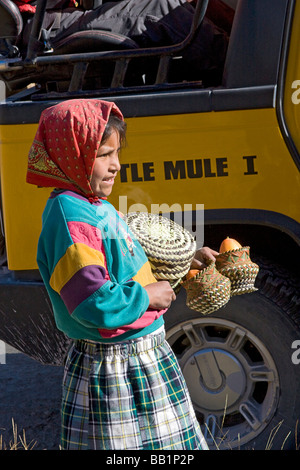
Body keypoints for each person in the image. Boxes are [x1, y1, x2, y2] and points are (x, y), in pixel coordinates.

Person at [26, 98, 217, 450]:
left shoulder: (94, 206)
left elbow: (124, 267)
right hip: (115, 370)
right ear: (72, 155)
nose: (115, 165)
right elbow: (92, 302)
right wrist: (146, 296)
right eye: (102, 155)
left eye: (116, 153)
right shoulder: (71, 219)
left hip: (142, 358)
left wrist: (185, 261)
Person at [16, 0, 228, 81]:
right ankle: (243, 73)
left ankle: (237, 45)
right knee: (162, 9)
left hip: (62, 15)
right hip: (41, 25)